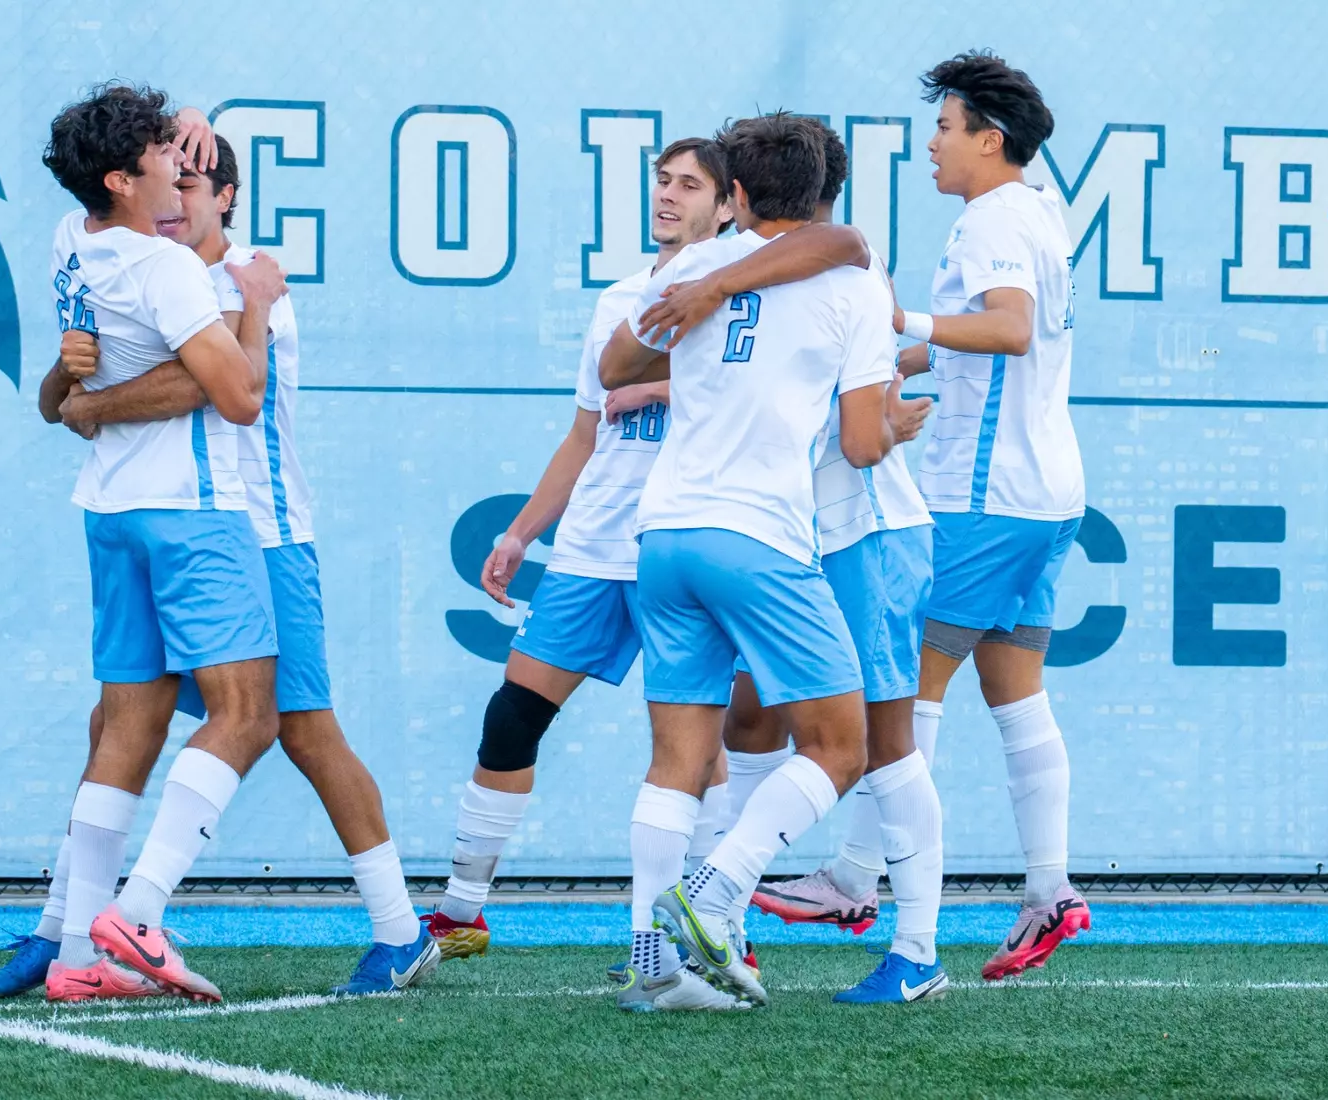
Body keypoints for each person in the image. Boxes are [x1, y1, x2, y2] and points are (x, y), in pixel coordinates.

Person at [642, 53, 1090, 983]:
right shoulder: (733, 270)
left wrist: (893, 371)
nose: (933, 142)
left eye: (945, 126)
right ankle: (1013, 887)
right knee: (777, 718)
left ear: (732, 195)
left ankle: (871, 917)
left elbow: (953, 330)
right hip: (869, 523)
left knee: (889, 729)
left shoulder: (893, 249)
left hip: (904, 517)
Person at [45, 134, 441, 998]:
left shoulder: (252, 286)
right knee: (116, 720)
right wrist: (68, 382)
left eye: (195, 184)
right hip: (189, 526)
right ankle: (67, 935)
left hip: (263, 535)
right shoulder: (139, 263)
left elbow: (215, 391)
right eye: (170, 178)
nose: (177, 196)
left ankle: (399, 927)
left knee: (302, 729)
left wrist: (87, 401)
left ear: (227, 198)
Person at [598, 113, 916, 1009]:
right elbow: (859, 446)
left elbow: (618, 363)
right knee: (841, 744)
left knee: (676, 758)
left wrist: (688, 295)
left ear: (733, 196)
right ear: (821, 195)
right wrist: (894, 420)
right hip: (759, 536)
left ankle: (652, 961)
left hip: (663, 537)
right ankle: (716, 892)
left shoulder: (697, 265)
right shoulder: (852, 286)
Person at [424, 139, 733, 983]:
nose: (667, 196)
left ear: (727, 203)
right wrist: (522, 533)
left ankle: (707, 928)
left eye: (689, 185)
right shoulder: (623, 298)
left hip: (683, 540)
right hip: (595, 545)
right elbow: (587, 431)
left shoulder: (744, 296)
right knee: (513, 716)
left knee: (694, 750)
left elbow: (763, 396)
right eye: (662, 181)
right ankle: (459, 911)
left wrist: (663, 388)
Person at [35, 83, 286, 1004]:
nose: (179, 166)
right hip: (192, 508)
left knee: (129, 728)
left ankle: (72, 958)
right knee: (247, 714)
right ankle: (139, 915)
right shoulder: (168, 269)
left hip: (110, 509)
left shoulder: (75, 241)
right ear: (119, 177)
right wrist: (252, 302)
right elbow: (241, 396)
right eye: (159, 156)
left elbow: (67, 400)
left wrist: (183, 124)